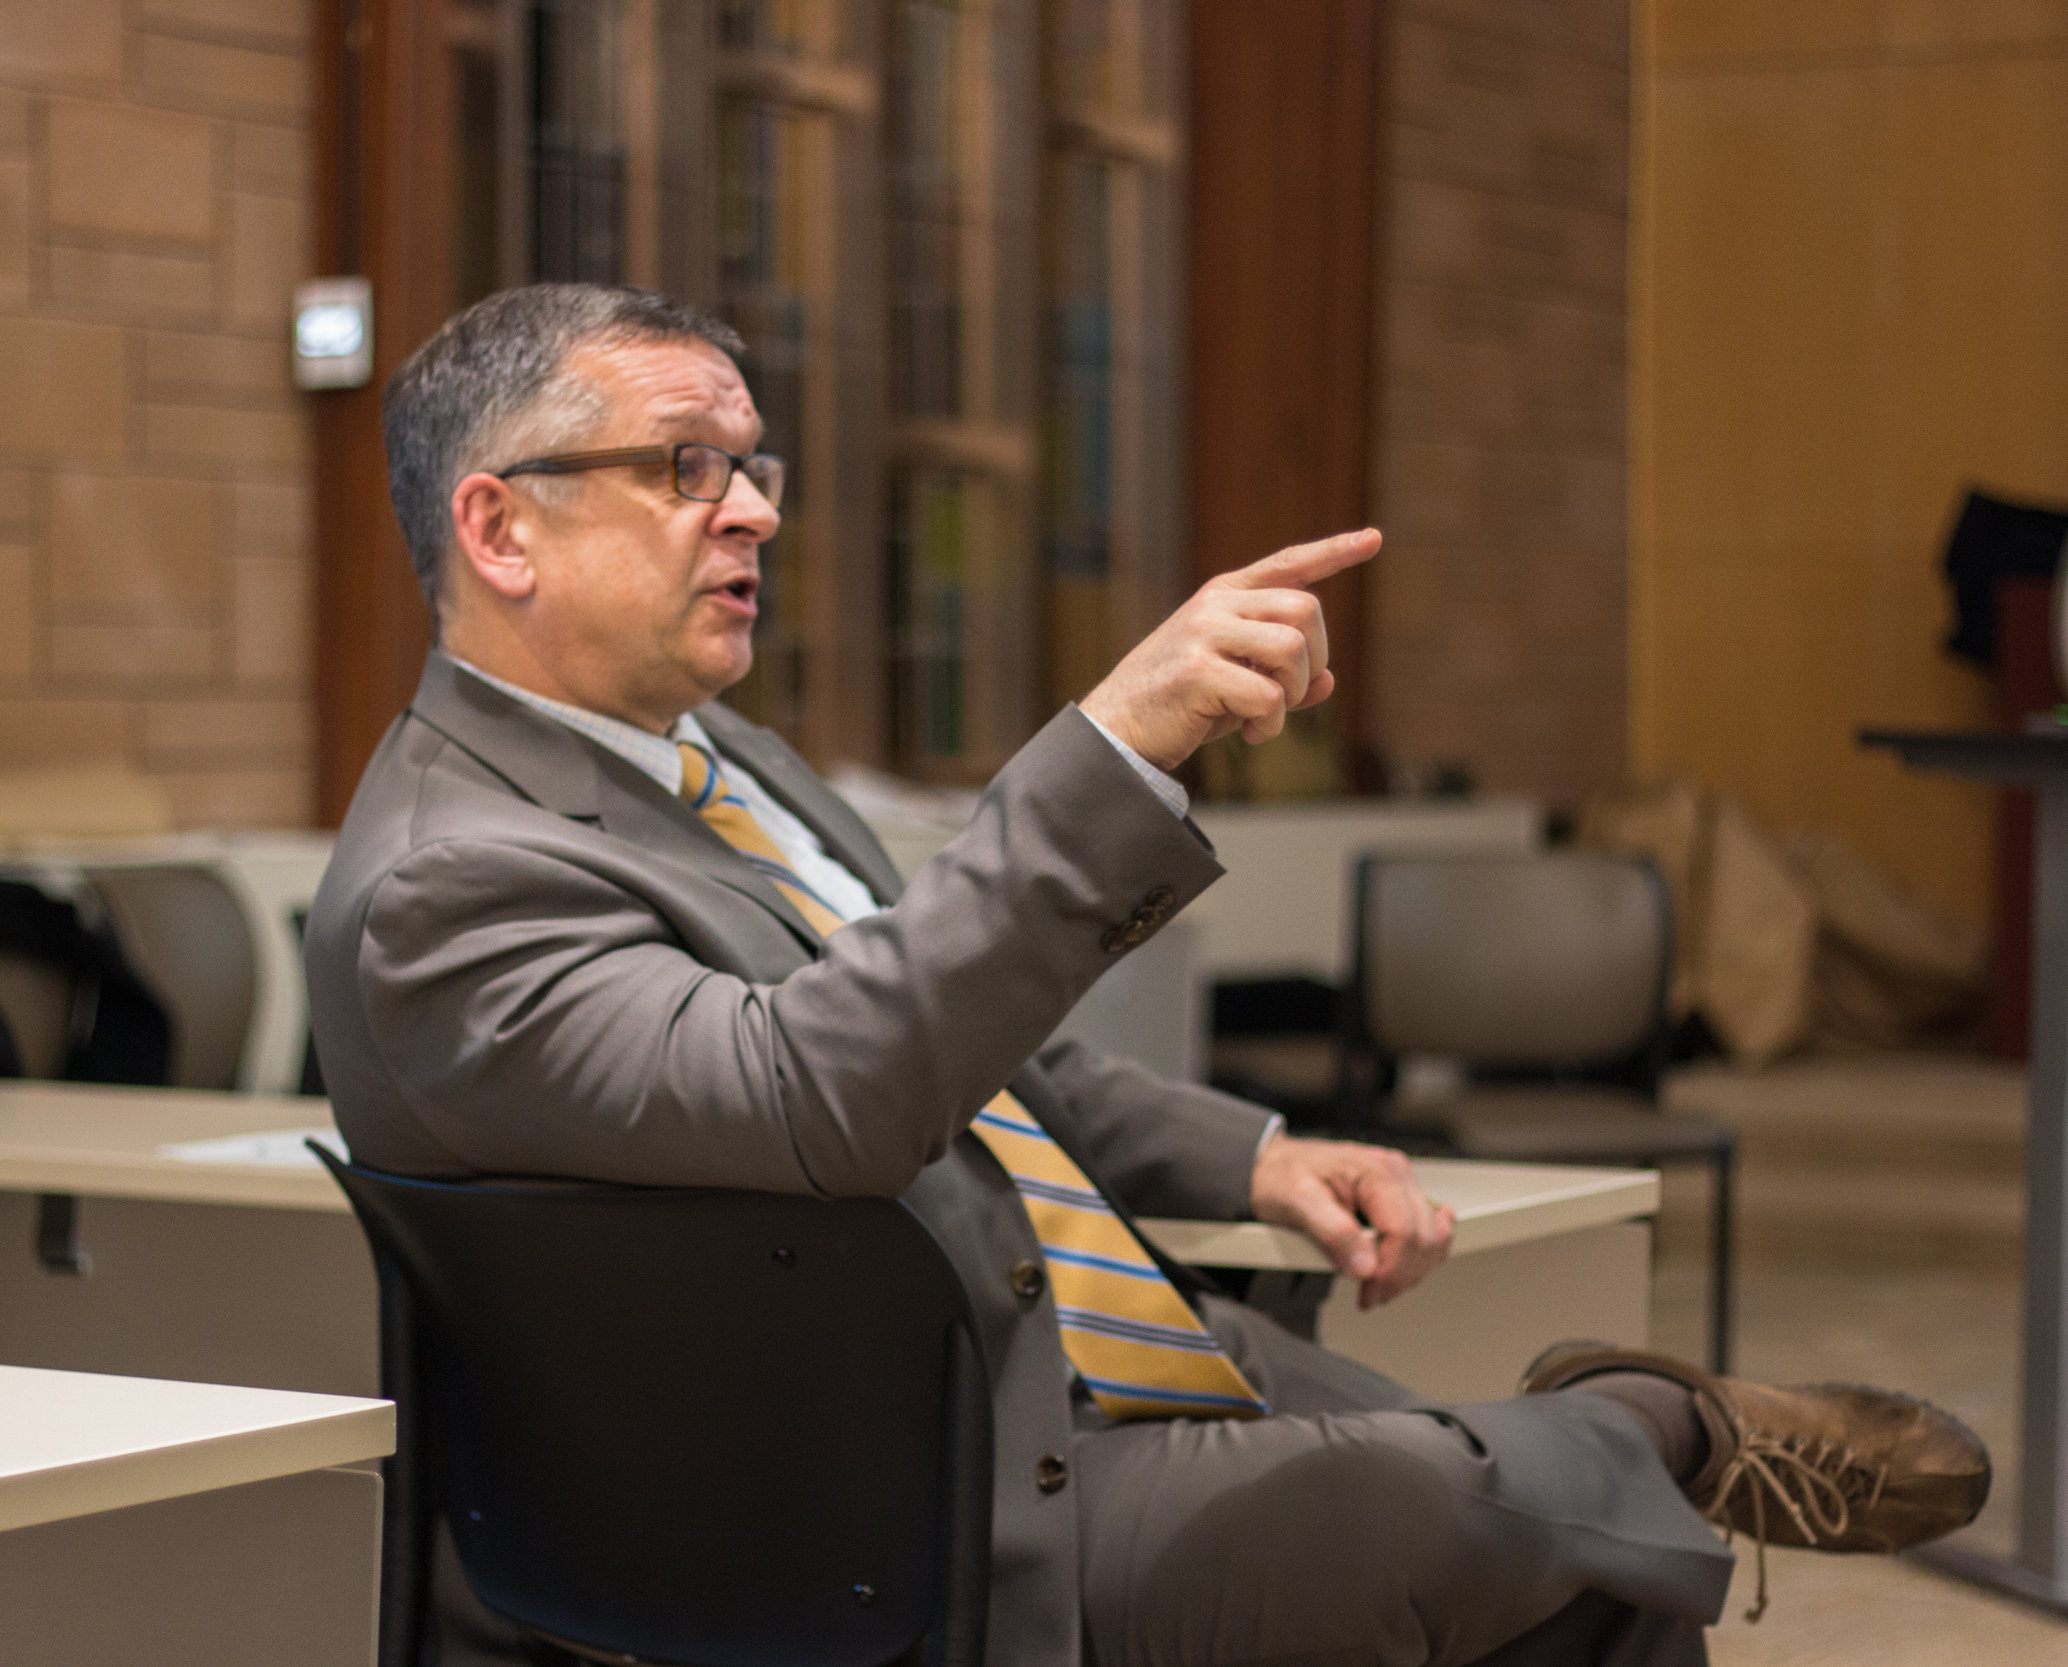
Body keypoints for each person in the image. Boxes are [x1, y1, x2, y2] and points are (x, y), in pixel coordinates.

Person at [305, 283, 1988, 1667]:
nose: (753, 510)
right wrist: (1111, 746)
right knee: (1518, 1510)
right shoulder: (447, 886)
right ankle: (1665, 1419)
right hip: (905, 1508)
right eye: (685, 466)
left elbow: (981, 1049)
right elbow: (823, 1094)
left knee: (1592, 1585)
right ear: (500, 530)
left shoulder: (723, 763)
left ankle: (1609, 1438)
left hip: (1090, 1360)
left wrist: (1250, 1156)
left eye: (755, 465)